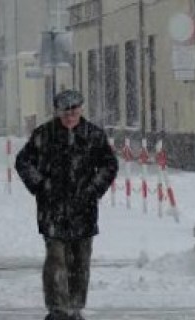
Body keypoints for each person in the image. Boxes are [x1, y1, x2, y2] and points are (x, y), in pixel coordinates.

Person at [15, 90, 118, 320]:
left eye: (74, 110)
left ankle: (75, 307)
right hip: (52, 210)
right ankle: (58, 309)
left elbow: (109, 165)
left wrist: (93, 190)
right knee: (56, 261)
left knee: (80, 262)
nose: (70, 115)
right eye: (65, 111)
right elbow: (23, 162)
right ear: (58, 112)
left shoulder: (94, 135)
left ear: (81, 110)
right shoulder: (44, 134)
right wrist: (41, 185)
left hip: (84, 210)